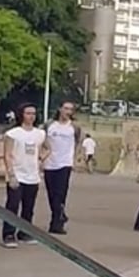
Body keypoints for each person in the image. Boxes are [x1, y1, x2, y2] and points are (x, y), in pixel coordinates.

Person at [1, 103, 46, 247]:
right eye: (28, 113)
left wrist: (40, 160)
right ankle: (8, 233)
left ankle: (24, 232)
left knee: (29, 206)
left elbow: (46, 148)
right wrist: (11, 174)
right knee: (13, 205)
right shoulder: (13, 133)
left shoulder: (40, 133)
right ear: (21, 115)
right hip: (17, 174)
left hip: (32, 175)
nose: (31, 116)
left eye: (33, 113)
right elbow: (7, 154)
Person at [43, 100, 81, 233]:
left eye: (70, 109)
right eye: (65, 109)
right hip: (50, 163)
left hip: (65, 163)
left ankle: (56, 222)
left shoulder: (74, 127)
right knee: (51, 193)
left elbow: (77, 143)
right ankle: (60, 214)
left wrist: (74, 159)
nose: (67, 112)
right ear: (60, 109)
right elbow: (43, 140)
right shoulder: (50, 125)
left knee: (60, 193)